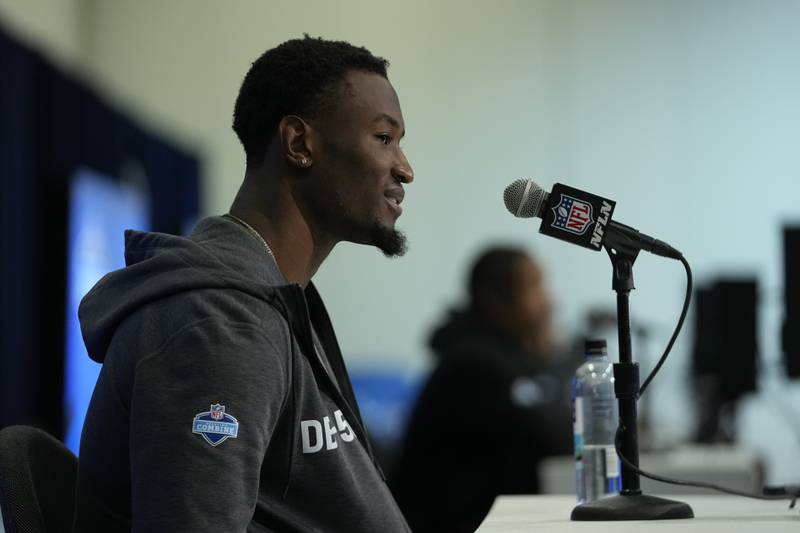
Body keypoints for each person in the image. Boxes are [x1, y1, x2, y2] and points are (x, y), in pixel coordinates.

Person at [73, 36, 414, 532]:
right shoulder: (220, 328)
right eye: (384, 139)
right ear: (299, 144)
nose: (405, 167)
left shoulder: (271, 300)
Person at [393, 247, 572, 533]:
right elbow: (554, 441)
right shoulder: (472, 365)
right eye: (534, 288)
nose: (548, 302)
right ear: (496, 300)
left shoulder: (506, 357)